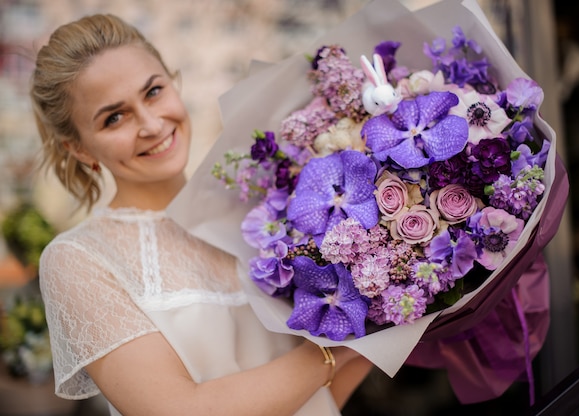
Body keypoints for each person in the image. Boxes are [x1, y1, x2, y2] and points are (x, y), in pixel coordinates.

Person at [32, 14, 372, 416]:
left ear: (173, 83)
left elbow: (318, 400)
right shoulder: (79, 259)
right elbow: (176, 410)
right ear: (81, 150)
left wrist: (391, 325)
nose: (151, 123)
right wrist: (332, 353)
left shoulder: (262, 209)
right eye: (114, 118)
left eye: (154, 91)